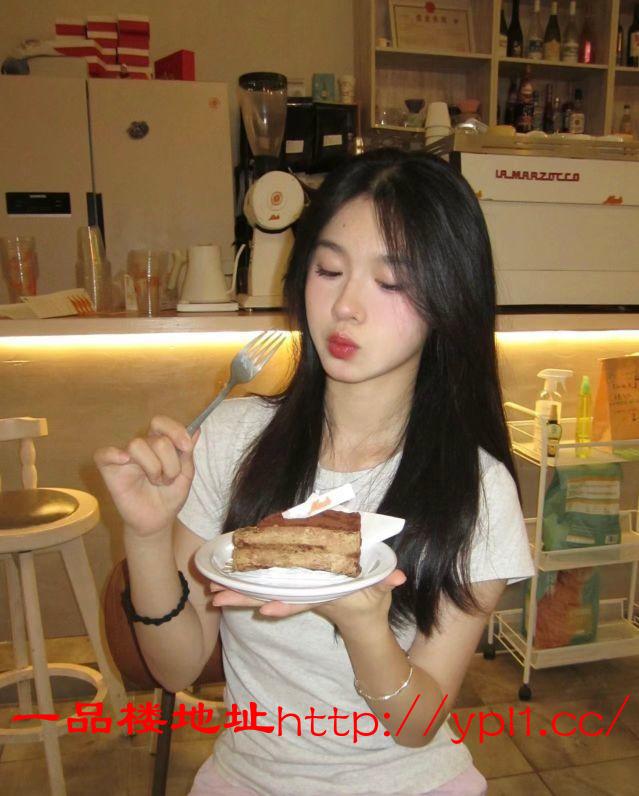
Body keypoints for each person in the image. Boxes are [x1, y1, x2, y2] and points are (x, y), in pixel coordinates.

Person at [95, 148, 534, 796]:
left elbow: (417, 725)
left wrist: (363, 625)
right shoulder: (232, 440)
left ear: (448, 299)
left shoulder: (476, 489)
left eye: (391, 281)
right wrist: (146, 536)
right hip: (246, 779)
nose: (346, 306)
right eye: (329, 270)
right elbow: (176, 668)